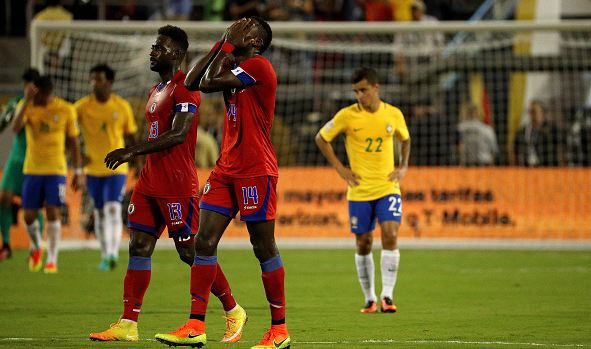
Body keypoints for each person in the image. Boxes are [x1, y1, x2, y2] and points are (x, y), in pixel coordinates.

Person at [89, 25, 246, 343]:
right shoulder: (156, 90)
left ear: (177, 53)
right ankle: (128, 323)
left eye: (159, 47)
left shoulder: (185, 88)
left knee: (190, 252)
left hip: (177, 185)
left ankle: (233, 310)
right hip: (149, 183)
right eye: (153, 46)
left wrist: (131, 151)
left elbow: (177, 134)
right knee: (138, 246)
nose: (152, 51)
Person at [154, 17, 290, 349]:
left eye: (245, 26)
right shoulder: (231, 62)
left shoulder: (259, 66)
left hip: (255, 169)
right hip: (226, 169)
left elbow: (207, 84)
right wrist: (221, 44)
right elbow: (194, 80)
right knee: (203, 242)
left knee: (263, 247)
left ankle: (279, 330)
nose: (236, 26)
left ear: (256, 40)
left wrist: (227, 45)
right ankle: (195, 325)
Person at [315, 67, 411, 313]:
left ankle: (387, 296)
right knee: (364, 243)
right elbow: (321, 138)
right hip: (359, 190)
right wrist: (340, 169)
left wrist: (403, 166)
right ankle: (370, 299)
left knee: (390, 234)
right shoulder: (347, 116)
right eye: (356, 91)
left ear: (376, 88)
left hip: (387, 186)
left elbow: (405, 139)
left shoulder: (394, 114)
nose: (359, 95)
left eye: (363, 90)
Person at [11, 75, 85, 273]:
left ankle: (52, 258)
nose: (35, 98)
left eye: (37, 95)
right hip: (32, 169)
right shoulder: (28, 106)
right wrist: (26, 101)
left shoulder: (65, 109)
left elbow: (74, 143)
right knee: (28, 216)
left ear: (47, 93)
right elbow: (15, 127)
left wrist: (78, 171)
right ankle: (36, 246)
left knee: (53, 211)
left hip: (56, 170)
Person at [74, 64, 138, 271]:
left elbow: (131, 137)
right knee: (100, 212)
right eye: (92, 79)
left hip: (116, 169)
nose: (95, 83)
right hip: (92, 168)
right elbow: (67, 134)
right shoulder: (81, 107)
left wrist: (136, 159)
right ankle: (104, 255)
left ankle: (112, 254)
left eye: (99, 79)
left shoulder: (122, 106)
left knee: (112, 208)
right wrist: (75, 155)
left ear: (109, 82)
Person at [0, 68, 44, 261]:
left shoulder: (46, 105)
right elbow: (3, 125)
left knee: (32, 207)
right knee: (3, 198)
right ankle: (7, 245)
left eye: (32, 84)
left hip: (36, 160)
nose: (28, 88)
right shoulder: (17, 103)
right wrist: (7, 116)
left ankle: (36, 247)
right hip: (17, 158)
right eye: (26, 84)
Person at [513, 99, 563, 166]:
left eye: (534, 111)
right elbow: (515, 152)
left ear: (543, 113)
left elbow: (561, 150)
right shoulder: (522, 132)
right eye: (530, 111)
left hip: (547, 169)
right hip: (527, 169)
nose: (532, 115)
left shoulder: (552, 130)